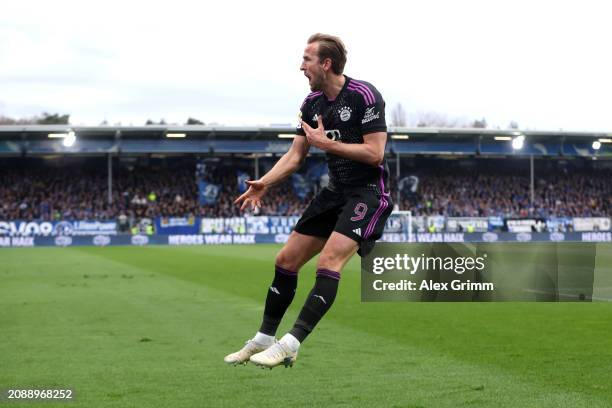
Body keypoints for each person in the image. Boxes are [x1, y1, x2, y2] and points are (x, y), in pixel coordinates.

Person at [224, 33, 392, 369]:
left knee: (328, 263)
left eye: (307, 59)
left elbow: (375, 154)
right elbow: (296, 154)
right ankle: (263, 339)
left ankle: (291, 342)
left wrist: (327, 145)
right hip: (334, 192)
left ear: (325, 63)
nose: (301, 66)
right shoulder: (312, 103)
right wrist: (264, 184)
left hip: (368, 194)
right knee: (285, 260)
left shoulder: (364, 95)